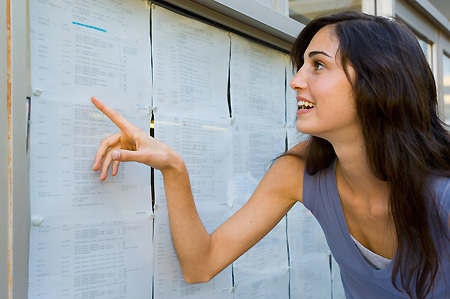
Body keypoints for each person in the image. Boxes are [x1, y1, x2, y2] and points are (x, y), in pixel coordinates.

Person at [91, 11, 450, 298]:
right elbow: (200, 265)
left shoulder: (443, 193)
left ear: (378, 81)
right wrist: (173, 167)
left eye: (318, 65)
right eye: (302, 65)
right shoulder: (302, 170)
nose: (296, 80)